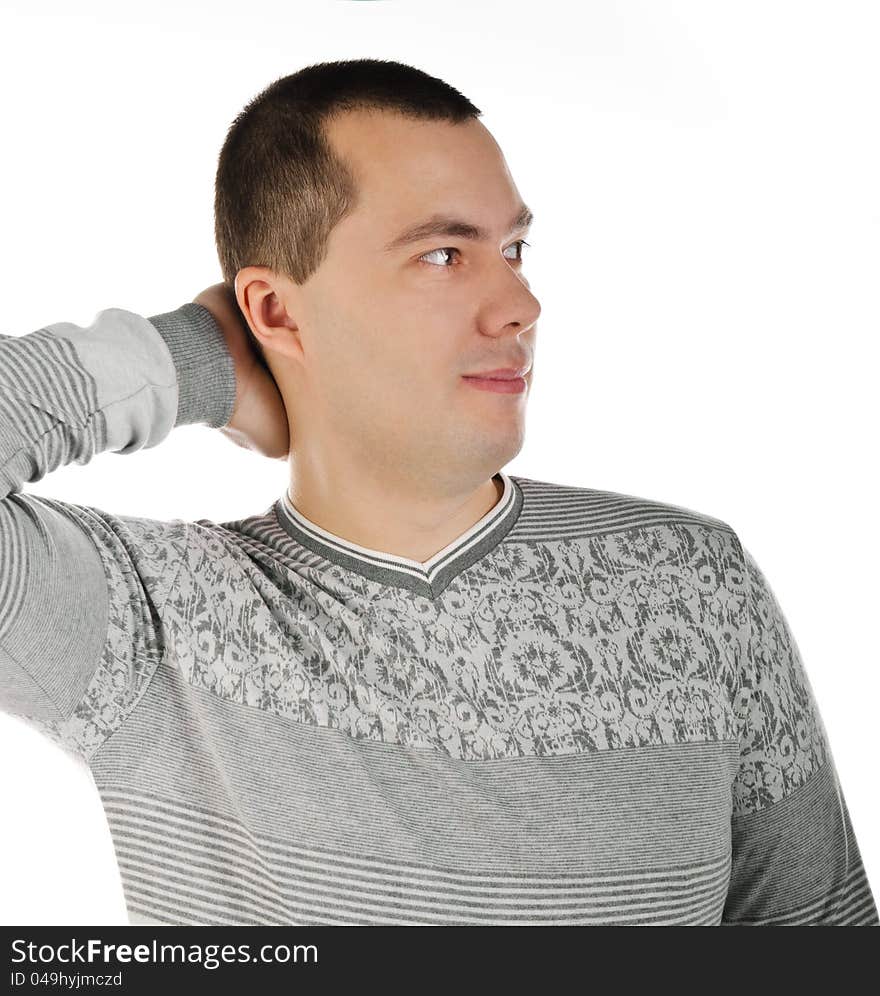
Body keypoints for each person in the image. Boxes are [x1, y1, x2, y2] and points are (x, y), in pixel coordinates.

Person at [0, 58, 876, 927]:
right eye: (444, 254)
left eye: (515, 248)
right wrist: (197, 360)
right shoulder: (155, 621)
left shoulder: (692, 582)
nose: (520, 303)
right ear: (277, 313)